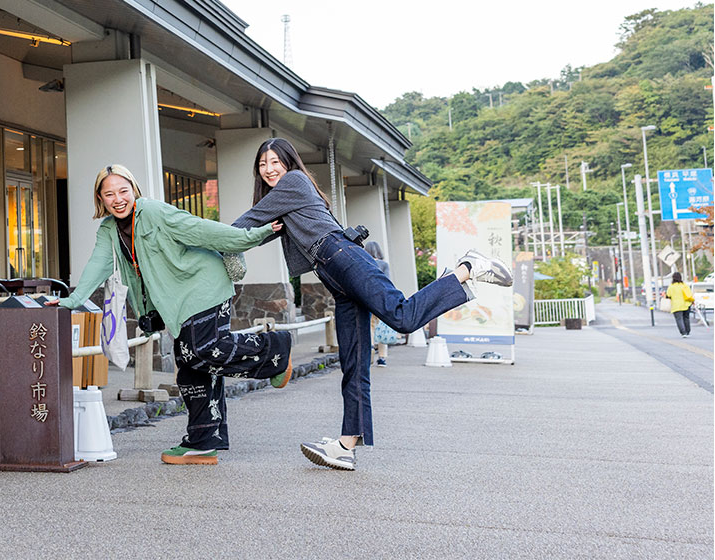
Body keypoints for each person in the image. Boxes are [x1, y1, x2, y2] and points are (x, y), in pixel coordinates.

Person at [228, 138, 512, 472]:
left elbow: (246, 222)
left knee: (402, 317)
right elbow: (256, 232)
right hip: (335, 275)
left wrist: (204, 240)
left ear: (288, 163)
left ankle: (466, 268)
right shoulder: (284, 202)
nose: (269, 169)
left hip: (343, 258)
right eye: (263, 164)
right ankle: (346, 445)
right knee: (354, 362)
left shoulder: (292, 182)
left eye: (275, 161)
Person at [50, 164, 291, 466]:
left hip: (203, 286)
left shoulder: (153, 212)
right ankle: (203, 441)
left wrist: (253, 235)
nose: (118, 199)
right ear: (100, 198)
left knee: (201, 351)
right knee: (191, 368)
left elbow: (201, 230)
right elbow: (97, 265)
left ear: (134, 190)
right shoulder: (109, 230)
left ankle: (275, 350)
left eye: (123, 191)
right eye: (109, 194)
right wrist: (72, 301)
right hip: (177, 302)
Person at [363, 240, 396, 366]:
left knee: (370, 326)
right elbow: (387, 282)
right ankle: (382, 357)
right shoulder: (384, 265)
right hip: (381, 299)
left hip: (367, 298)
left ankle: (370, 349)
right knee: (382, 327)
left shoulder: (364, 263)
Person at [666, 272, 694, 336]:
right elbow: (689, 294)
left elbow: (668, 295)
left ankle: (683, 332)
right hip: (686, 304)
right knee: (686, 318)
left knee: (679, 319)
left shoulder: (671, 286)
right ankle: (687, 331)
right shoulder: (684, 285)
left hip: (676, 306)